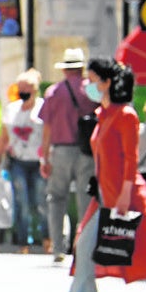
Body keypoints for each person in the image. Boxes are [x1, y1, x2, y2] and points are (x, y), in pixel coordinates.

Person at [58, 58, 146, 292]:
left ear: (107, 82)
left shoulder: (125, 114)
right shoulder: (105, 113)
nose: (87, 84)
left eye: (91, 79)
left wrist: (124, 196)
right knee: (84, 246)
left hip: (128, 195)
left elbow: (130, 159)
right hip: (104, 194)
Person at [39, 47, 99, 262]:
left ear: (64, 70)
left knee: (56, 198)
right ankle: (83, 247)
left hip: (61, 150)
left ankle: (57, 247)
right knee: (85, 199)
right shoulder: (92, 92)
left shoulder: (54, 92)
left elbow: (47, 128)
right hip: (87, 152)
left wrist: (45, 157)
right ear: (82, 68)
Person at [0, 69, 46, 252]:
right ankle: (23, 241)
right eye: (21, 88)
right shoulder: (12, 109)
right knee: (21, 201)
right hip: (18, 161)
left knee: (40, 201)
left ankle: (46, 239)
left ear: (35, 89)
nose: (24, 91)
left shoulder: (43, 107)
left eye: (27, 88)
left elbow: (49, 135)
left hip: (38, 161)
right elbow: (3, 137)